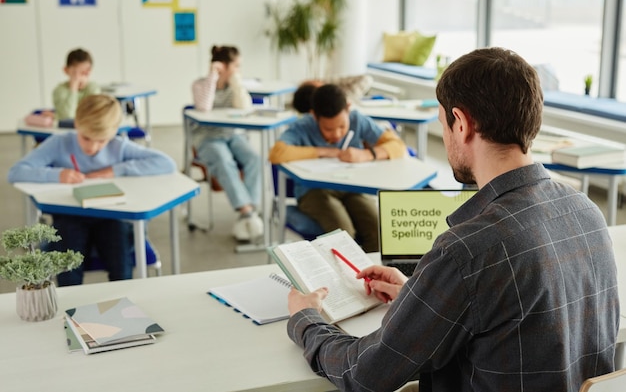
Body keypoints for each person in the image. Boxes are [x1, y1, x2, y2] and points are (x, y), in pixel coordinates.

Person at [285, 48, 620, 392]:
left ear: (461, 123)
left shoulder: (467, 251)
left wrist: (305, 319)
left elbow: (363, 374)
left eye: (443, 124)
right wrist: (417, 298)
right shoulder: (586, 211)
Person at [8, 94, 176, 286]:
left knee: (121, 264)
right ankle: (70, 309)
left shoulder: (117, 146)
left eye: (101, 140)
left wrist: (114, 170)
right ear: (77, 123)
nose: (93, 147)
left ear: (113, 132)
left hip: (111, 217)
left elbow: (166, 163)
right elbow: (16, 172)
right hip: (69, 217)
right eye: (86, 138)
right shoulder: (59, 143)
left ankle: (122, 305)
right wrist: (57, 175)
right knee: (68, 265)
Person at [269, 83, 407, 252]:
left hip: (351, 187)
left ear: (348, 109)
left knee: (378, 229)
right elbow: (276, 153)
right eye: (328, 129)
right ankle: (344, 276)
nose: (336, 134)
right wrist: (325, 151)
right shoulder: (303, 126)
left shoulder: (357, 120)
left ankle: (371, 275)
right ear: (314, 116)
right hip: (314, 192)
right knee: (343, 233)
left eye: (342, 126)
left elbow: (398, 146)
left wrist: (365, 155)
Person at [191, 45, 263, 242]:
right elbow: (204, 106)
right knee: (224, 161)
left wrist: (236, 82)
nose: (239, 70)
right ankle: (246, 211)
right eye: (236, 66)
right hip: (208, 138)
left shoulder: (234, 86)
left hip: (233, 135)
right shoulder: (200, 84)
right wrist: (213, 77)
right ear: (223, 66)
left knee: (254, 158)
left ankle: (250, 209)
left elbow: (245, 107)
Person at [52, 48, 101, 120]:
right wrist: (73, 88)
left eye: (85, 73)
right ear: (66, 70)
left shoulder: (93, 88)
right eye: (75, 73)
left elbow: (94, 115)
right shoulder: (59, 90)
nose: (80, 77)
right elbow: (68, 117)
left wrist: (56, 116)